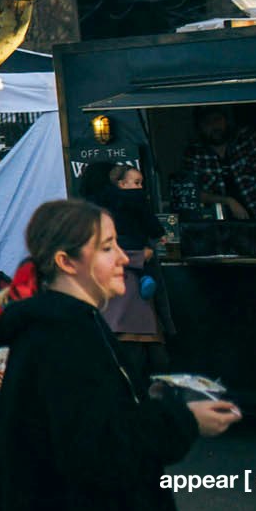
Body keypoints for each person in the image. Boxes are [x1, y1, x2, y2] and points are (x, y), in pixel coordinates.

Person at [0, 198, 240, 511]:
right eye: (107, 247)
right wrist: (185, 420)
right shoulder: (63, 336)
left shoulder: (71, 324)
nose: (122, 257)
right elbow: (99, 450)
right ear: (67, 262)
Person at [95, 165, 170, 391]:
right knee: (144, 360)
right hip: (128, 293)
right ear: (121, 183)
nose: (139, 188)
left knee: (145, 358)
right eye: (135, 183)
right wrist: (142, 255)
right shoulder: (128, 207)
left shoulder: (103, 210)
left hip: (130, 294)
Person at [183, 106, 256, 219]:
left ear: (226, 120)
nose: (214, 126)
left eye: (217, 119)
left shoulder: (246, 139)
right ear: (199, 128)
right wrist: (229, 201)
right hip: (220, 226)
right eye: (207, 123)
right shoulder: (194, 153)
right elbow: (193, 192)